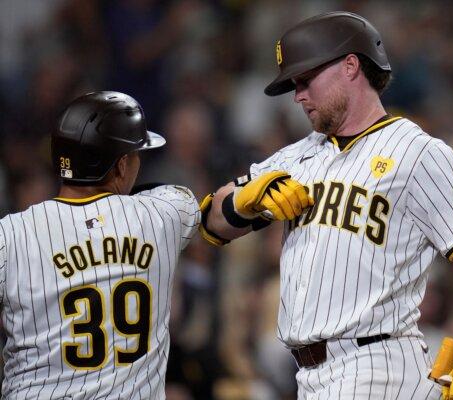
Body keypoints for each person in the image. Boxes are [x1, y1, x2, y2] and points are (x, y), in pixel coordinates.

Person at [202, 11, 453, 400]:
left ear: (349, 66)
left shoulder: (417, 152)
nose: (298, 95)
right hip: (309, 375)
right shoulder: (295, 157)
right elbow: (211, 226)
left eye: (305, 79)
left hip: (378, 365)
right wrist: (243, 202)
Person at [0, 91, 300, 399]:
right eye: (135, 155)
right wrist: (247, 198)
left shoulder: (9, 235)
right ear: (119, 167)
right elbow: (216, 217)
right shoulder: (161, 213)